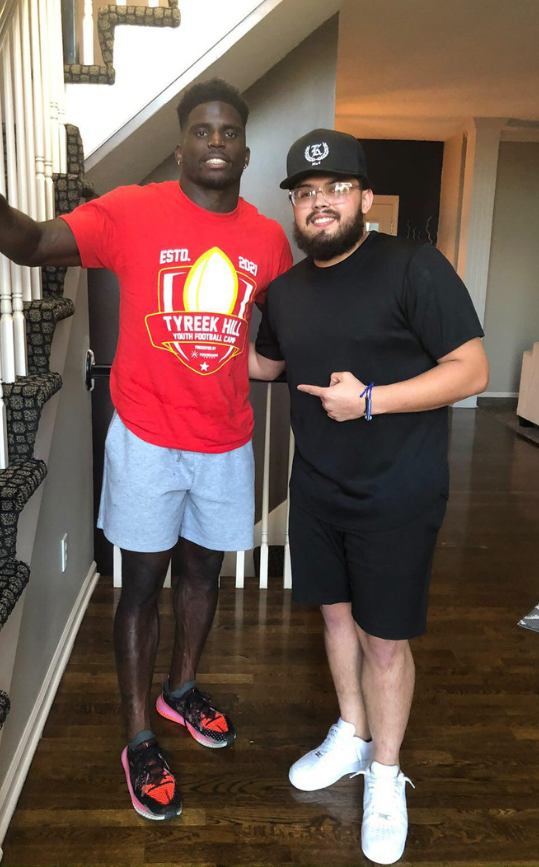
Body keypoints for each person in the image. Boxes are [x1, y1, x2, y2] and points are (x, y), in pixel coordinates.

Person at [0, 78, 293, 820]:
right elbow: (37, 244)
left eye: (229, 132)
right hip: (146, 441)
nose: (217, 142)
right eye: (204, 130)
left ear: (246, 149)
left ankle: (182, 691)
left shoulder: (267, 240)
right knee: (140, 589)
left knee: (204, 577)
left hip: (227, 442)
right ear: (181, 145)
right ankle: (139, 738)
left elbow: (281, 337)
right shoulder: (135, 209)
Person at [250, 129, 488, 865]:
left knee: (386, 639)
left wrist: (374, 400)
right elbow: (265, 364)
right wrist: (184, 338)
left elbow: (472, 370)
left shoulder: (414, 266)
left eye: (336, 188)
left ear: (365, 197)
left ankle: (385, 774)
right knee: (336, 619)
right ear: (295, 205)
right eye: (306, 193)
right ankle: (352, 736)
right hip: (317, 489)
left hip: (398, 492)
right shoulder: (285, 292)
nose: (321, 203)